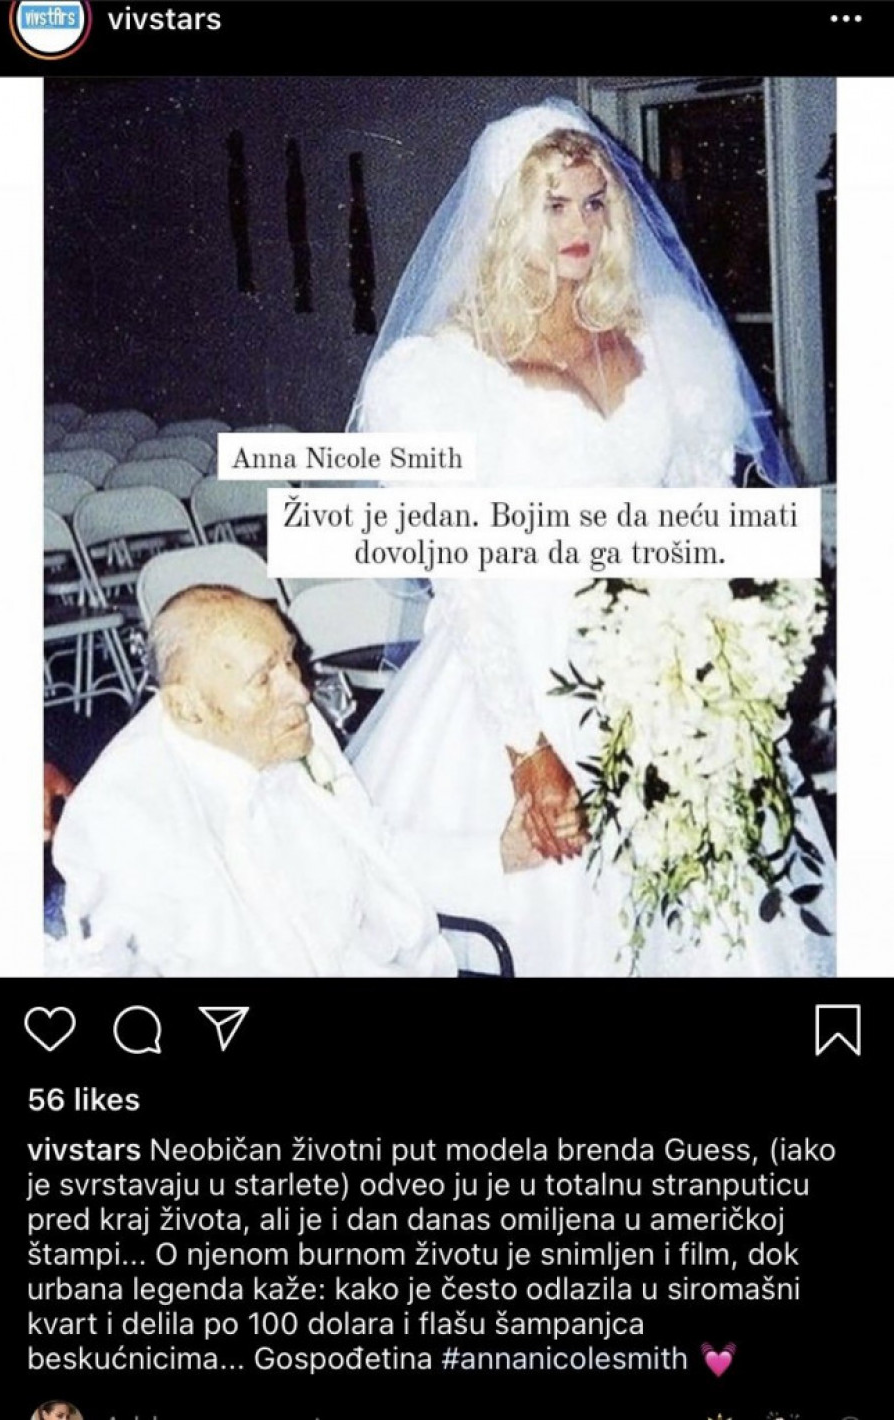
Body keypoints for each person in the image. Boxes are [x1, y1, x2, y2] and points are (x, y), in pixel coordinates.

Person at [350, 99, 835, 977]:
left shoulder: (669, 342)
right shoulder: (440, 375)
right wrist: (526, 749)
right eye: (553, 204)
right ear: (507, 217)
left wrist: (726, 651)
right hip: (524, 668)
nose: (579, 225)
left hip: (667, 665)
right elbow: (464, 579)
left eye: (594, 201)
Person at [51, 585, 547, 977]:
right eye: (263, 679)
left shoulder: (289, 732)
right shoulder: (123, 815)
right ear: (188, 708)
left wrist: (500, 855)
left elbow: (374, 851)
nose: (300, 691)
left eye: (289, 659)